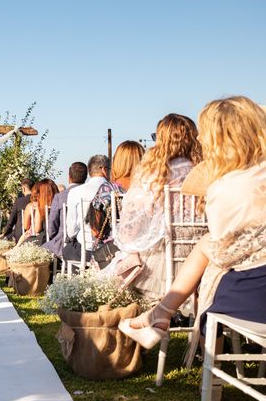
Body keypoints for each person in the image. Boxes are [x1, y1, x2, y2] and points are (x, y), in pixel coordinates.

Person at [120, 97, 266, 361]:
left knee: (210, 256)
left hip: (242, 288)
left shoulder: (223, 188)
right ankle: (164, 317)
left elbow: (223, 254)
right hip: (212, 253)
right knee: (206, 245)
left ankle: (162, 316)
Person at [105, 114, 202, 300]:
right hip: (200, 255)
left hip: (164, 255)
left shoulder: (154, 174)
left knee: (127, 256)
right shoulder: (204, 171)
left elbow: (132, 222)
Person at [86, 141, 144, 250]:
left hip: (116, 250)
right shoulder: (151, 187)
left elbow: (96, 231)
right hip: (147, 248)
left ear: (117, 161)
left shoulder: (107, 189)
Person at [63, 155, 110, 262]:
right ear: (103, 169)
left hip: (86, 250)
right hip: (111, 250)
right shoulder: (115, 190)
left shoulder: (75, 192)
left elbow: (71, 231)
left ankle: (80, 277)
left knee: (66, 251)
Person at [42, 162, 88, 258]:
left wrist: (53, 237)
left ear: (69, 177)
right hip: (88, 243)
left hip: (62, 243)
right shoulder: (90, 195)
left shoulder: (60, 196)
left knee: (40, 248)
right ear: (85, 177)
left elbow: (52, 226)